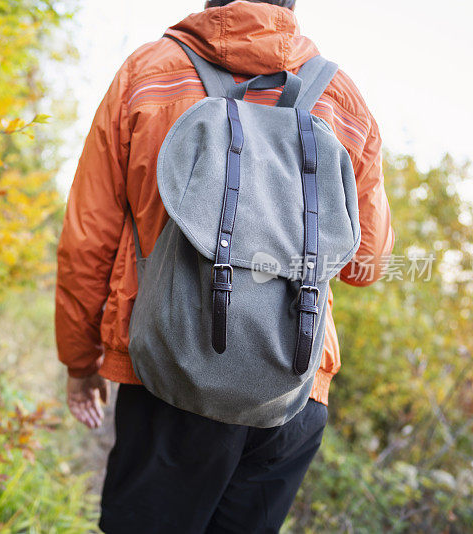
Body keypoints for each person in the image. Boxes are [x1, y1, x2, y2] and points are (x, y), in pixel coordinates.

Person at [55, 0, 394, 532]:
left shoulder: (147, 72)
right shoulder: (341, 98)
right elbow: (366, 263)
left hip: (170, 369)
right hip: (292, 383)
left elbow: (88, 238)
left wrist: (80, 362)